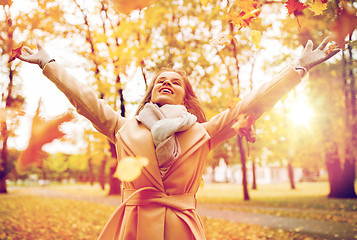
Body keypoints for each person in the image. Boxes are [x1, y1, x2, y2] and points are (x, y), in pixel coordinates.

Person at [17, 37, 339, 240]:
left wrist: (296, 70)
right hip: (134, 228)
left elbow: (251, 103)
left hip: (182, 231)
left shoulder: (204, 132)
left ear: (186, 97)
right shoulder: (123, 127)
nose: (167, 83)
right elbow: (84, 99)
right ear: (151, 91)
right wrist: (49, 64)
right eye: (161, 81)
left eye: (175, 82)